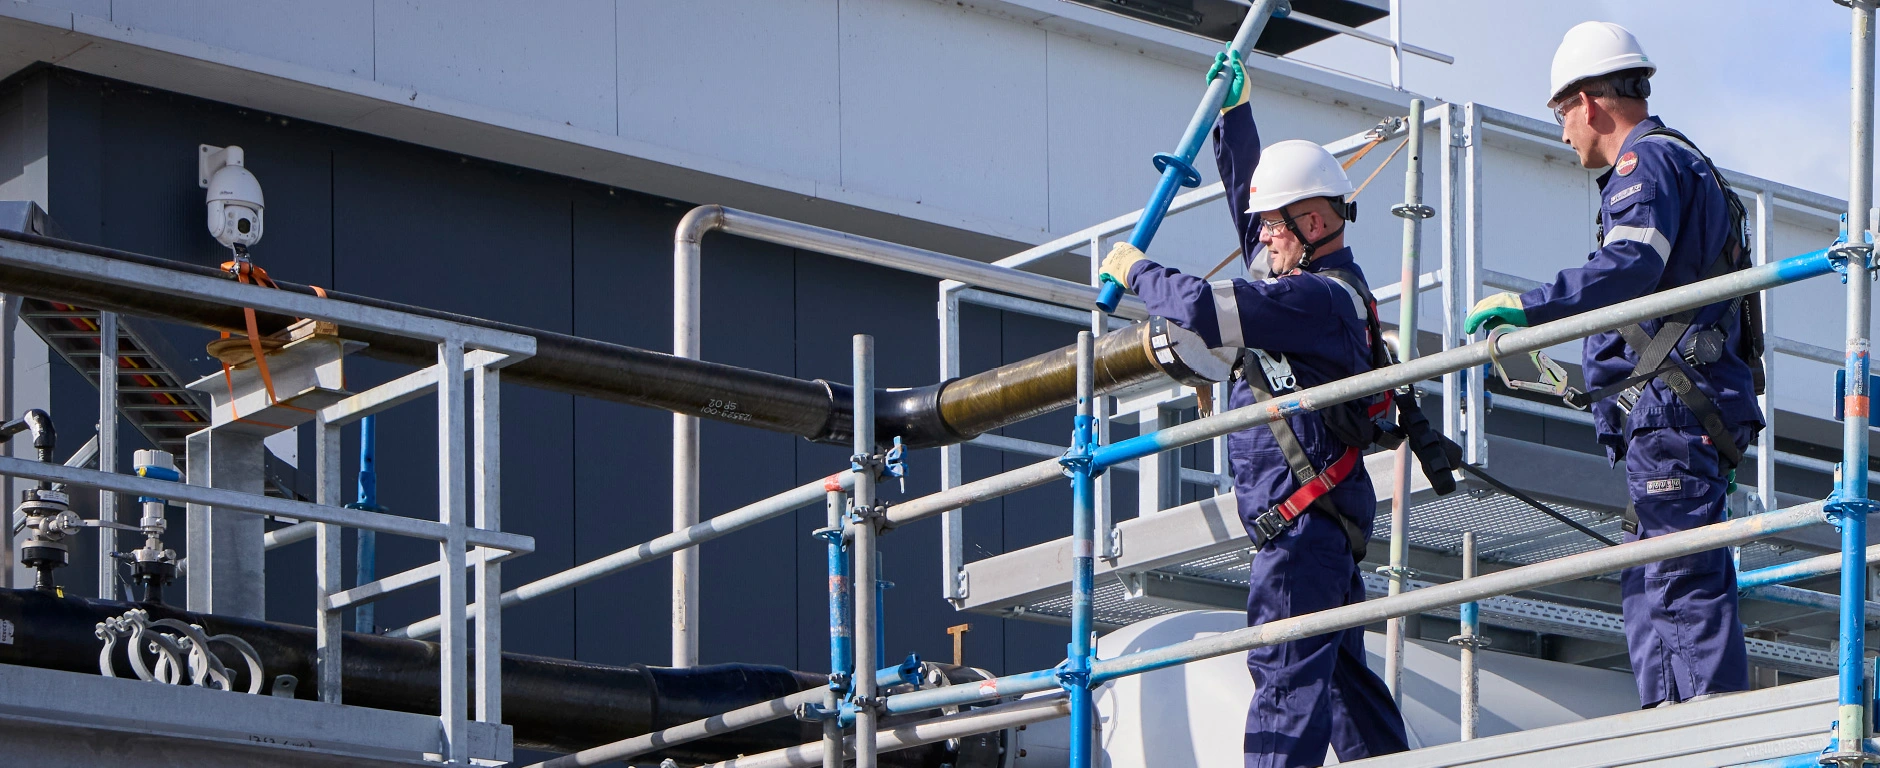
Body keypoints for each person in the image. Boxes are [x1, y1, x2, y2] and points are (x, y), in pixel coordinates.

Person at [1099, 50, 1409, 768]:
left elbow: (1207, 307)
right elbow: (1253, 228)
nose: (1261, 239)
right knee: (1338, 685)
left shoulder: (1311, 298)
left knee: (1284, 681)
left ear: (1307, 223)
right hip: (1319, 520)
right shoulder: (1319, 288)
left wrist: (1136, 270)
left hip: (1301, 529)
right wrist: (1234, 120)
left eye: (1274, 226)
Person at [1464, 21, 1761, 709]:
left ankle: (1703, 742)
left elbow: (1631, 263)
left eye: (1561, 112)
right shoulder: (1681, 164)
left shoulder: (1645, 164)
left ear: (1590, 102)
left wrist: (1531, 309)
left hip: (1671, 415)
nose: (1563, 133)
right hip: (1676, 415)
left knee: (1675, 587)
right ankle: (1676, 732)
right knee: (1658, 581)